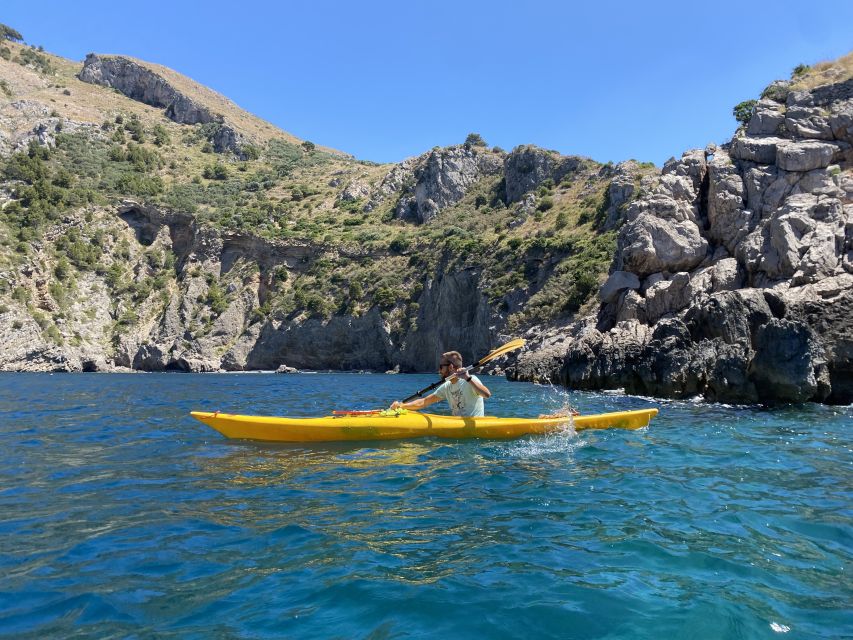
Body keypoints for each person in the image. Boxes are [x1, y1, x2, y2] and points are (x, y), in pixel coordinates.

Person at [390, 351, 491, 417]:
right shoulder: (447, 386)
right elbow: (425, 402)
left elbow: (487, 394)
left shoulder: (471, 380)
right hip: (457, 427)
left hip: (474, 427)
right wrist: (402, 406)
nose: (439, 370)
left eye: (441, 366)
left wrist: (467, 378)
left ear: (451, 367)